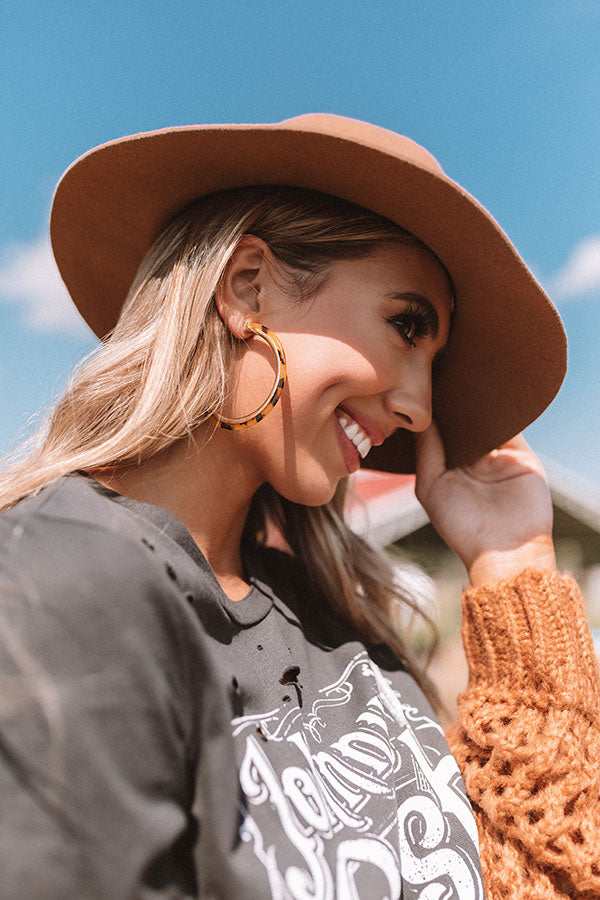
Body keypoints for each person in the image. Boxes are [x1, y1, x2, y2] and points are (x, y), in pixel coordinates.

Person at [0, 114, 598, 899]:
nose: (420, 408)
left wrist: (513, 563)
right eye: (406, 325)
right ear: (247, 288)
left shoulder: (335, 620)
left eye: (434, 360)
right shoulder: (58, 583)